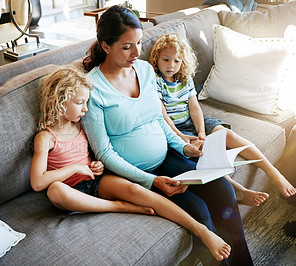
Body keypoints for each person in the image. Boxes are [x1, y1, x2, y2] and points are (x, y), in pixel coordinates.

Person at [82, 5, 251, 265]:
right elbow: (103, 152)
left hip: (168, 157)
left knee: (223, 188)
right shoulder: (93, 88)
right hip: (134, 173)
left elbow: (158, 120)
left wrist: (184, 147)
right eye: (127, 47)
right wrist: (151, 181)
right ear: (106, 46)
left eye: (139, 43)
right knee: (199, 211)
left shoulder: (146, 71)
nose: (137, 53)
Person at [30, 66, 232, 262]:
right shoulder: (46, 137)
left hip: (94, 182)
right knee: (55, 190)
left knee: (139, 190)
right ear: (59, 101)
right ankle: (119, 206)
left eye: (86, 102)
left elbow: (93, 154)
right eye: (79, 103)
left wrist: (96, 165)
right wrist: (74, 168)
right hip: (70, 191)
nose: (85, 108)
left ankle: (202, 230)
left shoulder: (79, 124)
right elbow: (38, 182)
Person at [148, 33, 296, 200]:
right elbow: (161, 112)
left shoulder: (184, 78)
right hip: (173, 130)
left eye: (177, 61)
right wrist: (180, 136)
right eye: (165, 59)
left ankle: (273, 172)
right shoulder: (155, 80)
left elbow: (195, 108)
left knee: (228, 135)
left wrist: (202, 132)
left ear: (182, 62)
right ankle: (239, 191)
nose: (171, 65)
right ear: (156, 58)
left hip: (192, 121)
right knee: (203, 159)